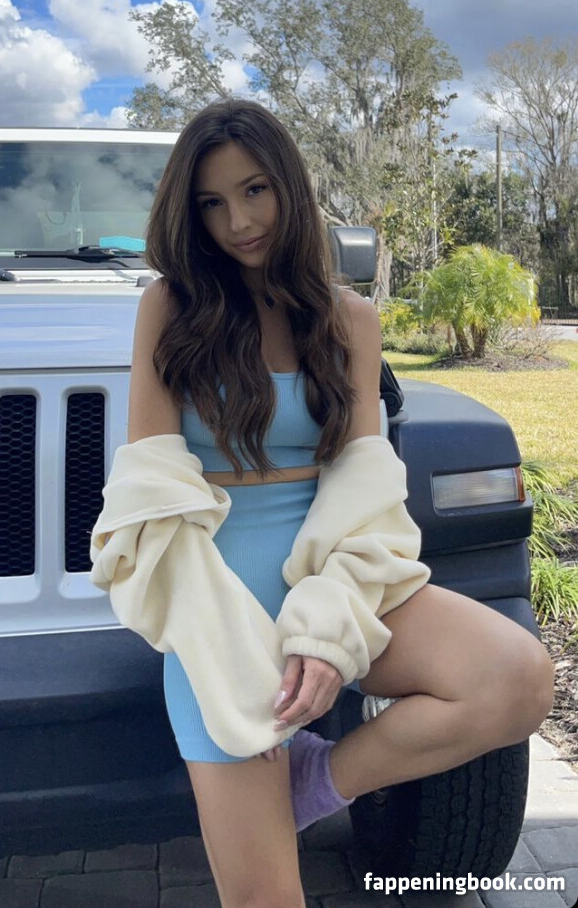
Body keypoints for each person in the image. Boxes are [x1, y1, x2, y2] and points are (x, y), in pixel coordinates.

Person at [90, 99, 555, 908]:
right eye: (212, 202)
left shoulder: (351, 319)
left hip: (330, 567)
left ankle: (319, 778)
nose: (239, 222)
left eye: (256, 190)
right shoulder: (170, 306)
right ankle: (264, 765)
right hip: (214, 589)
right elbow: (151, 494)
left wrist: (328, 630)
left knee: (516, 677)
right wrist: (240, 663)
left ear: (291, 188)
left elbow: (362, 485)